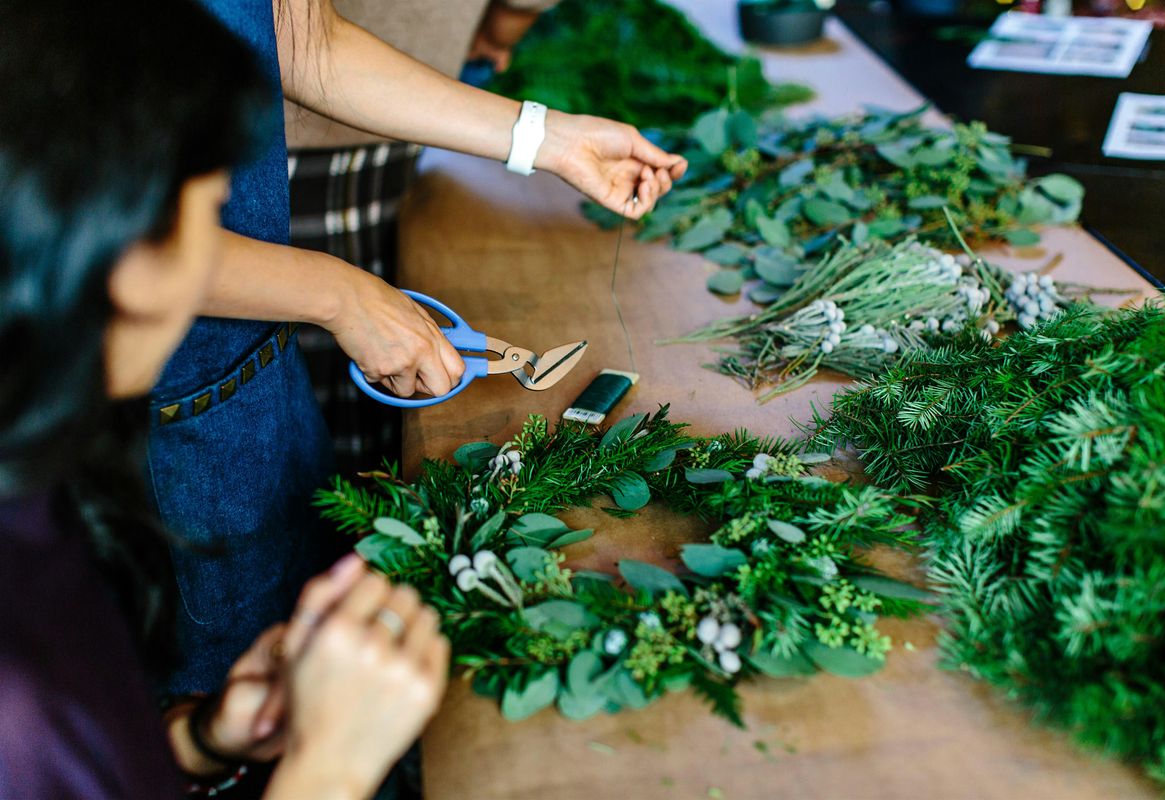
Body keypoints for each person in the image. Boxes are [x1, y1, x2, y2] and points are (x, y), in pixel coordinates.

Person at [155, 0, 687, 697]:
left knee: (288, 676)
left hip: (257, 377)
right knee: (198, 709)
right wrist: (338, 293)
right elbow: (105, 241)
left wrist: (547, 139)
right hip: (146, 432)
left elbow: (304, 39)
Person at [0, 1, 449, 796]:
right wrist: (328, 768)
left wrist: (201, 738)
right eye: (209, 222)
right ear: (120, 255)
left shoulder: (46, 505)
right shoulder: (21, 707)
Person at [286, 0, 560, 469]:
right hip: (367, 100)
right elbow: (306, 47)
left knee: (314, 355)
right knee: (325, 371)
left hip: (350, 99)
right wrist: (500, 33)